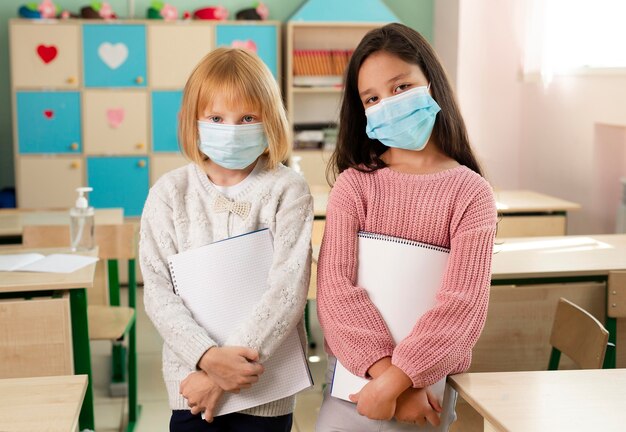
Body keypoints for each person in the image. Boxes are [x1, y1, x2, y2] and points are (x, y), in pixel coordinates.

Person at [315, 23, 497, 431]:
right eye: (373, 98)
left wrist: (402, 382)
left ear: (430, 83)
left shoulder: (471, 192)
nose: (389, 104)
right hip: (354, 390)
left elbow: (462, 307)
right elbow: (335, 293)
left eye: (400, 88)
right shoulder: (353, 185)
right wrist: (386, 383)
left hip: (425, 397)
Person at [139, 47, 313, 432]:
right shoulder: (170, 192)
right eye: (217, 117)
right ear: (195, 121)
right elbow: (157, 289)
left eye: (248, 117)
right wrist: (206, 358)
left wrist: (222, 373)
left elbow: (288, 289)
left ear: (270, 120)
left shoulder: (288, 189)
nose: (232, 130)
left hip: (264, 386)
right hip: (191, 386)